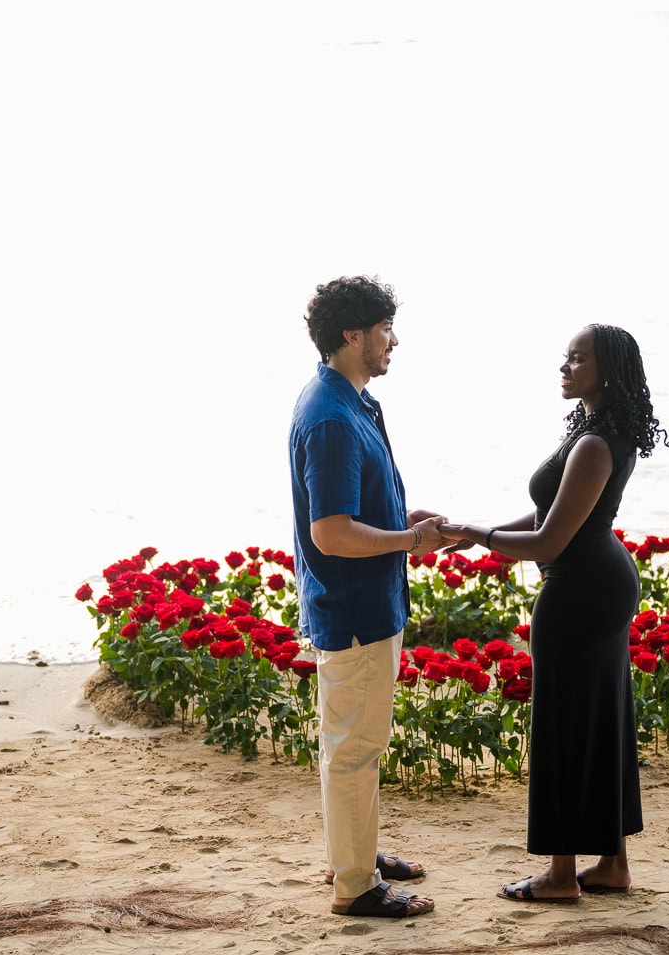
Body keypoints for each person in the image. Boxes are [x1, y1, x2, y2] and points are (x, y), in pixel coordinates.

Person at [439, 324, 666, 902]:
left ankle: (562, 876)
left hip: (580, 593)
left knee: (565, 725)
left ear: (606, 372)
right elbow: (552, 518)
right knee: (604, 720)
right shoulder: (599, 433)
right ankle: (612, 865)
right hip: (599, 584)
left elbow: (548, 543)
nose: (563, 367)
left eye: (577, 359)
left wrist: (475, 532)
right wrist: (477, 532)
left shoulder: (594, 445)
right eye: (565, 357)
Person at [289, 275, 442, 919]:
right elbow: (330, 533)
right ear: (352, 335)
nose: (393, 341)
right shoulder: (330, 417)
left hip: (364, 601)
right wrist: (410, 539)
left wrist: (410, 522)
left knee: (356, 743)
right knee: (355, 748)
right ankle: (354, 886)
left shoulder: (350, 398)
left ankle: (357, 850)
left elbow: (357, 511)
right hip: (353, 608)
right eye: (383, 330)